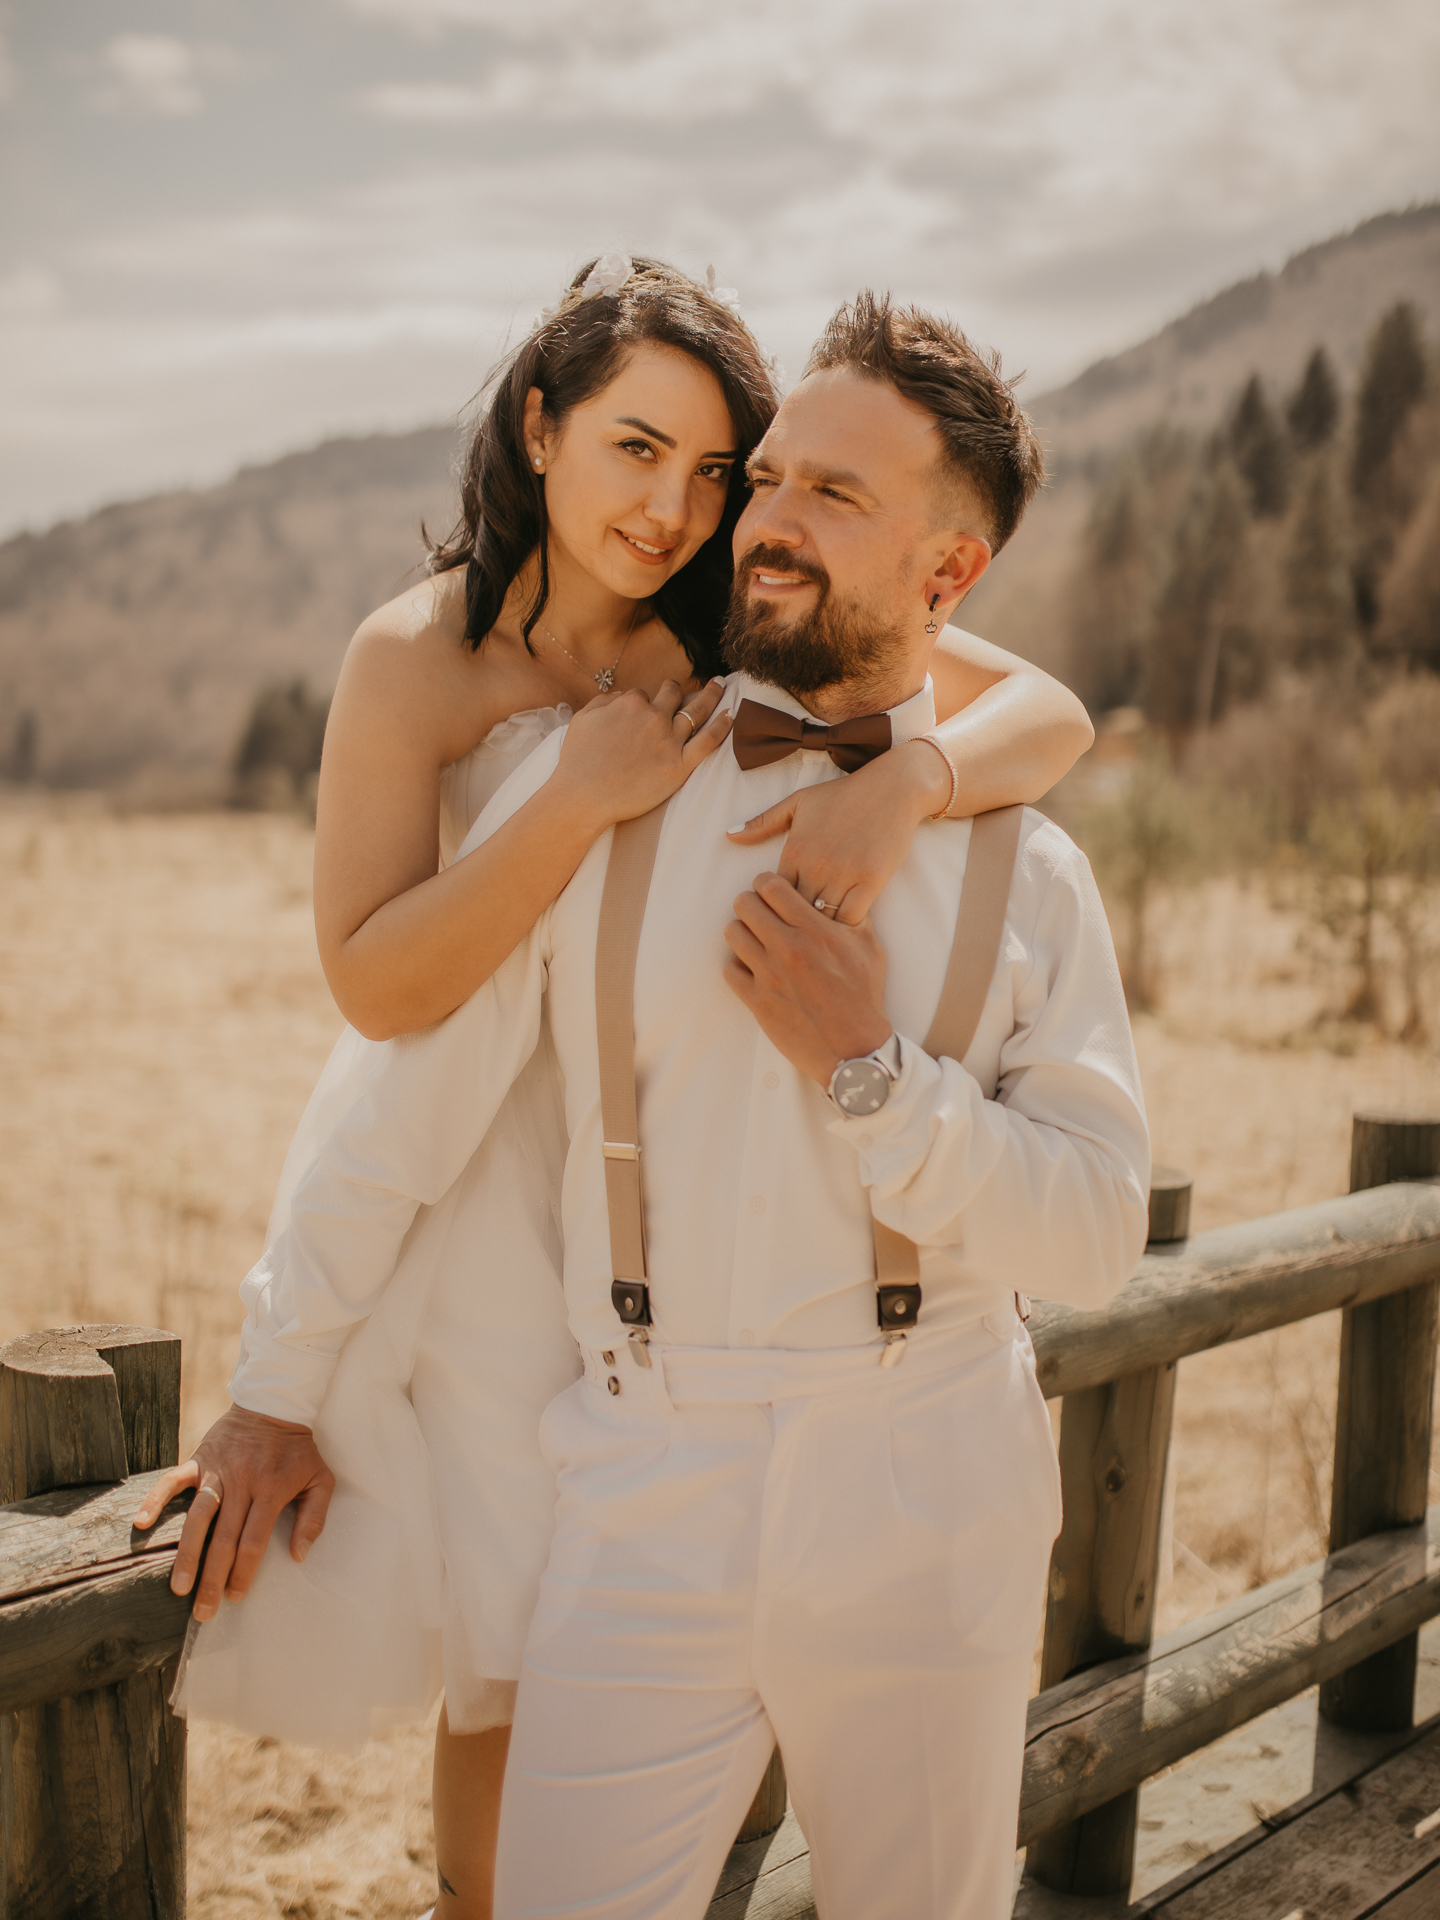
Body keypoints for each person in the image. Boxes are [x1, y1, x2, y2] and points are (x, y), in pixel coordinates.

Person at [136, 263, 1096, 1918]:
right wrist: (578, 802)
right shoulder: (430, 663)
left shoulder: (745, 607)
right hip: (510, 1194)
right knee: (508, 1669)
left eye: (720, 471)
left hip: (716, 1224)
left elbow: (1035, 702)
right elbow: (383, 1012)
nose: (682, 511)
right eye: (639, 451)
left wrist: (915, 785)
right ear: (540, 430)